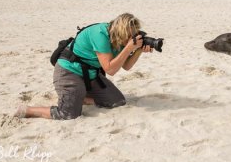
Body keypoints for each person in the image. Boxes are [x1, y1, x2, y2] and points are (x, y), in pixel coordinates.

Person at [15, 13, 152, 119]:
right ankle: (28, 110)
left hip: (90, 74)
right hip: (68, 71)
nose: (131, 37)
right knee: (68, 114)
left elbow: (126, 66)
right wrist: (129, 48)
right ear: (121, 31)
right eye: (129, 34)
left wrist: (138, 50)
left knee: (117, 101)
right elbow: (110, 70)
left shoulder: (122, 38)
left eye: (134, 34)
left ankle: (81, 97)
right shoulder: (100, 34)